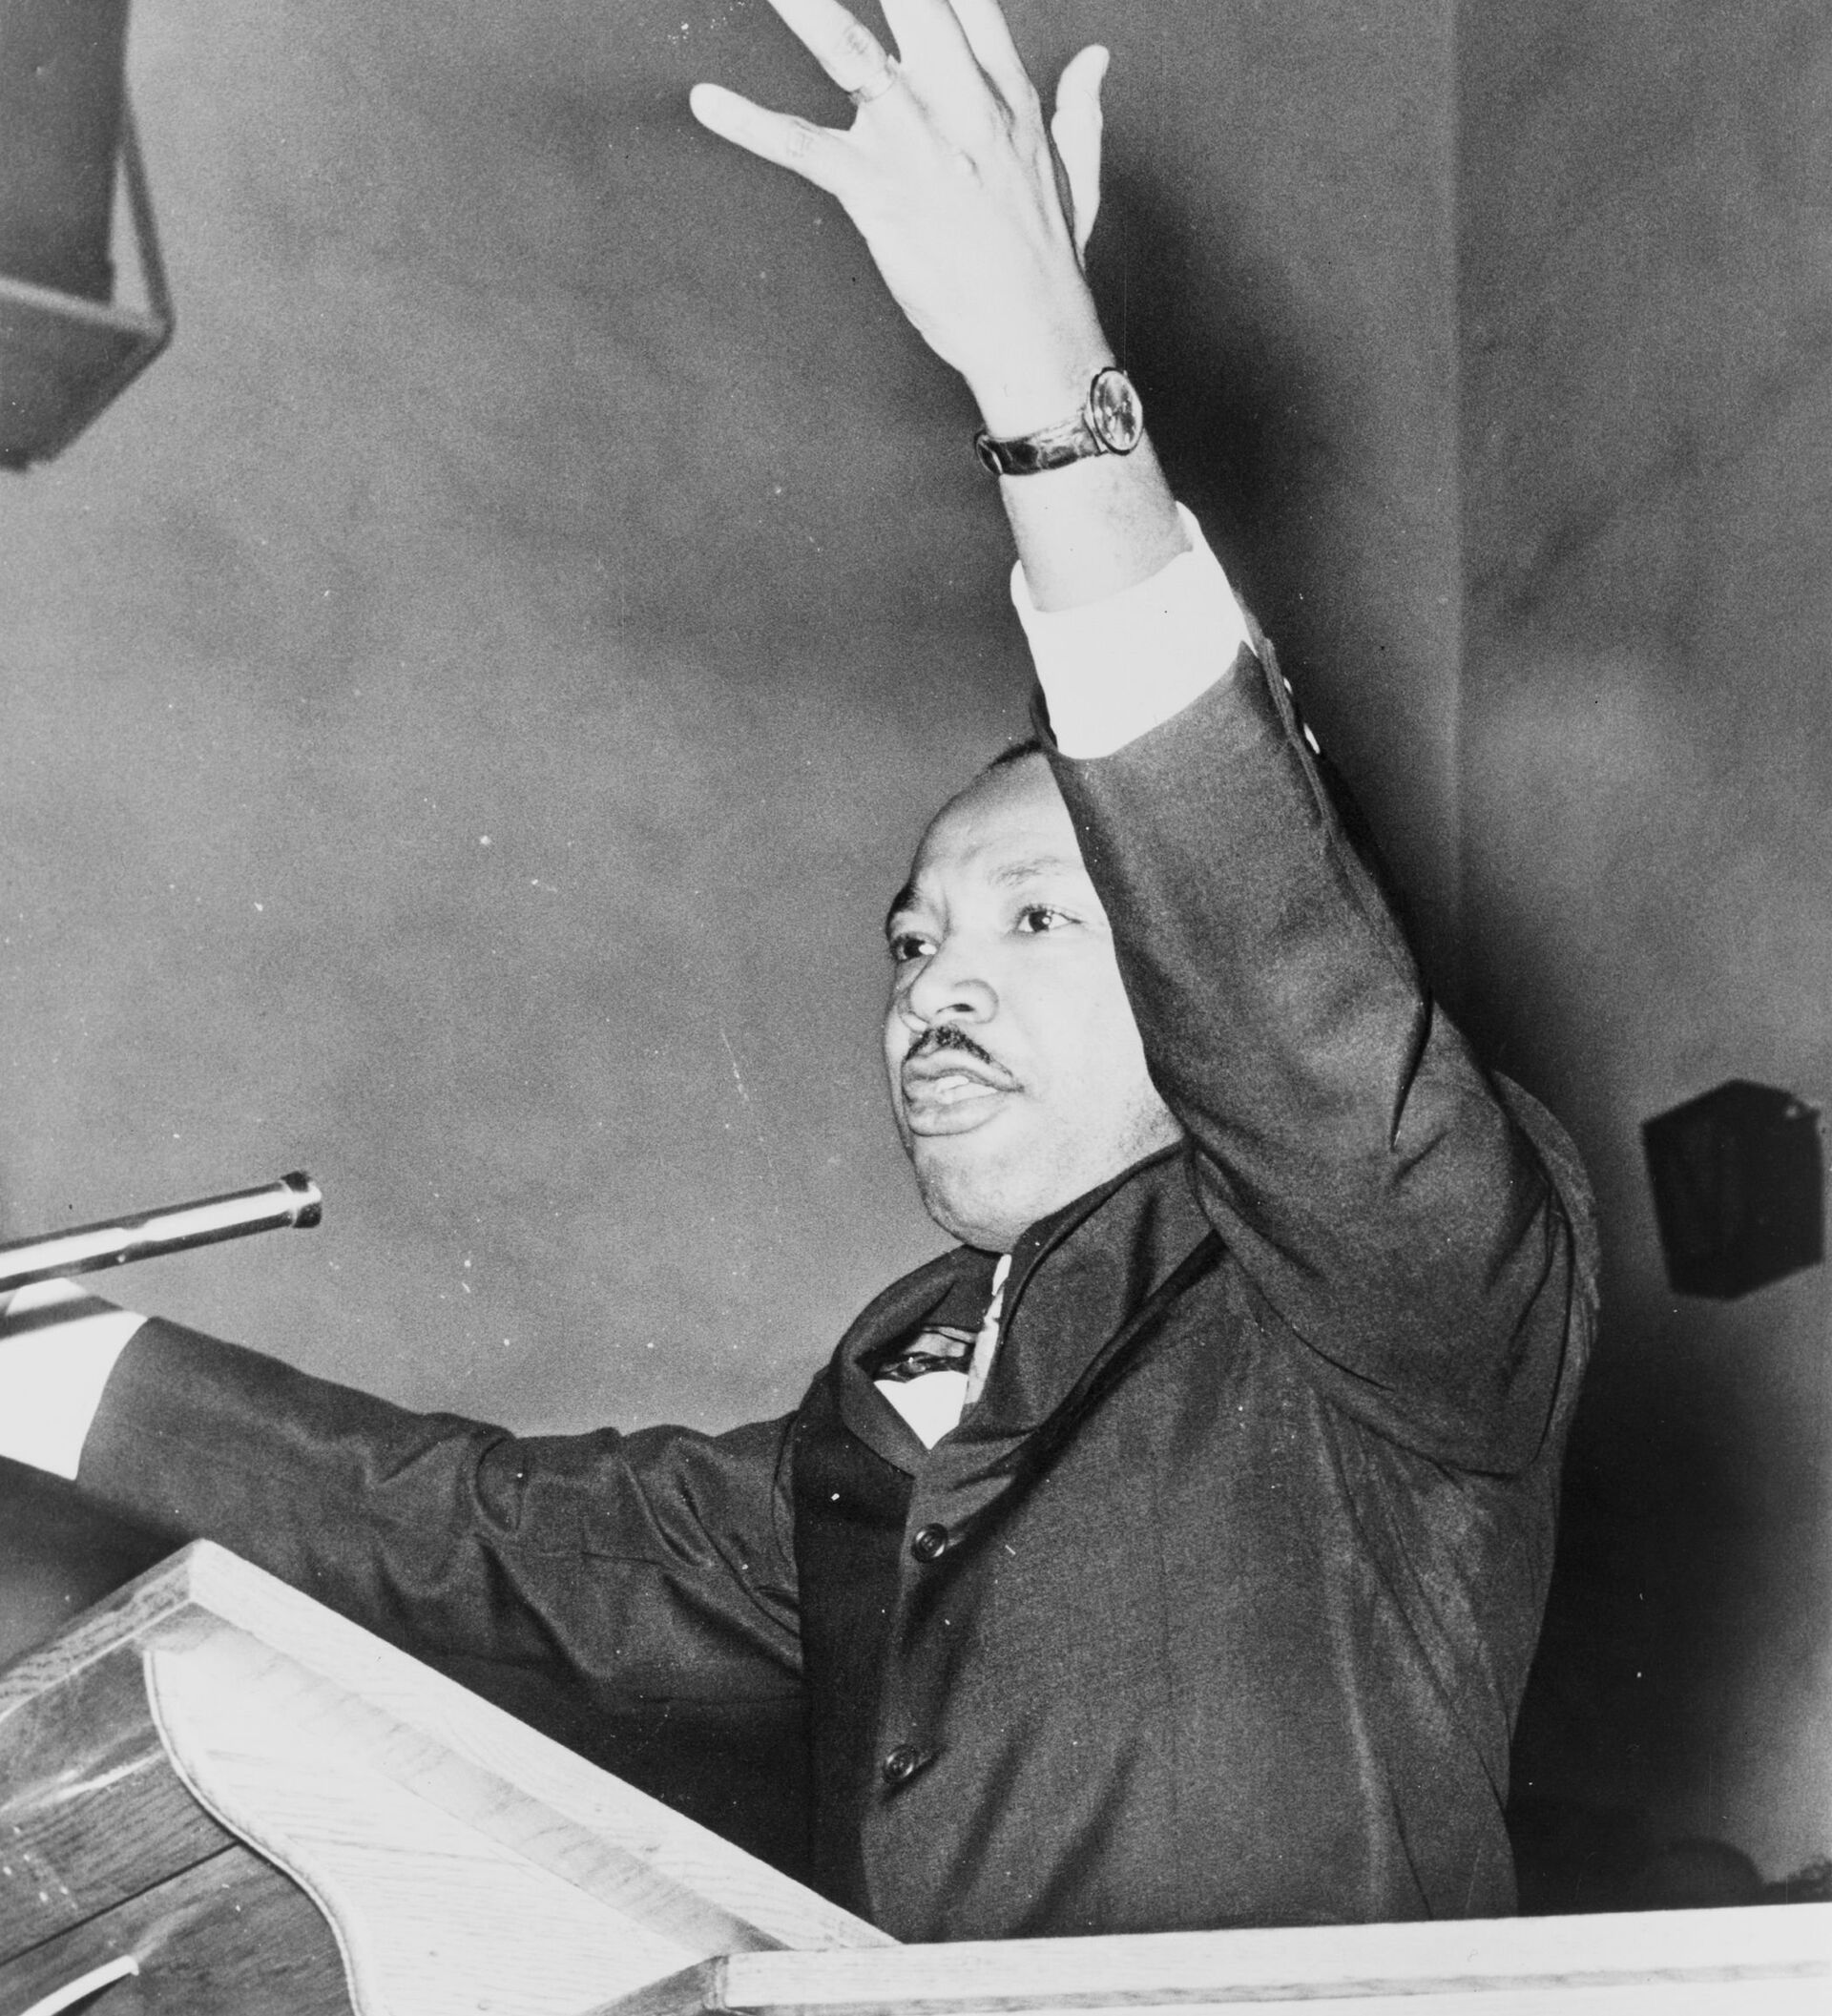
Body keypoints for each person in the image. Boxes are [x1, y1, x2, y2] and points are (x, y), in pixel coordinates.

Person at [0, 0, 1596, 1943]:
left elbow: (1277, 964)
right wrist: (28, 1354)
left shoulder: (1400, 1290)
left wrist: (1045, 375)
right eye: (914, 936)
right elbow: (485, 1537)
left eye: (1037, 919)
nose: (932, 985)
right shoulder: (889, 1411)